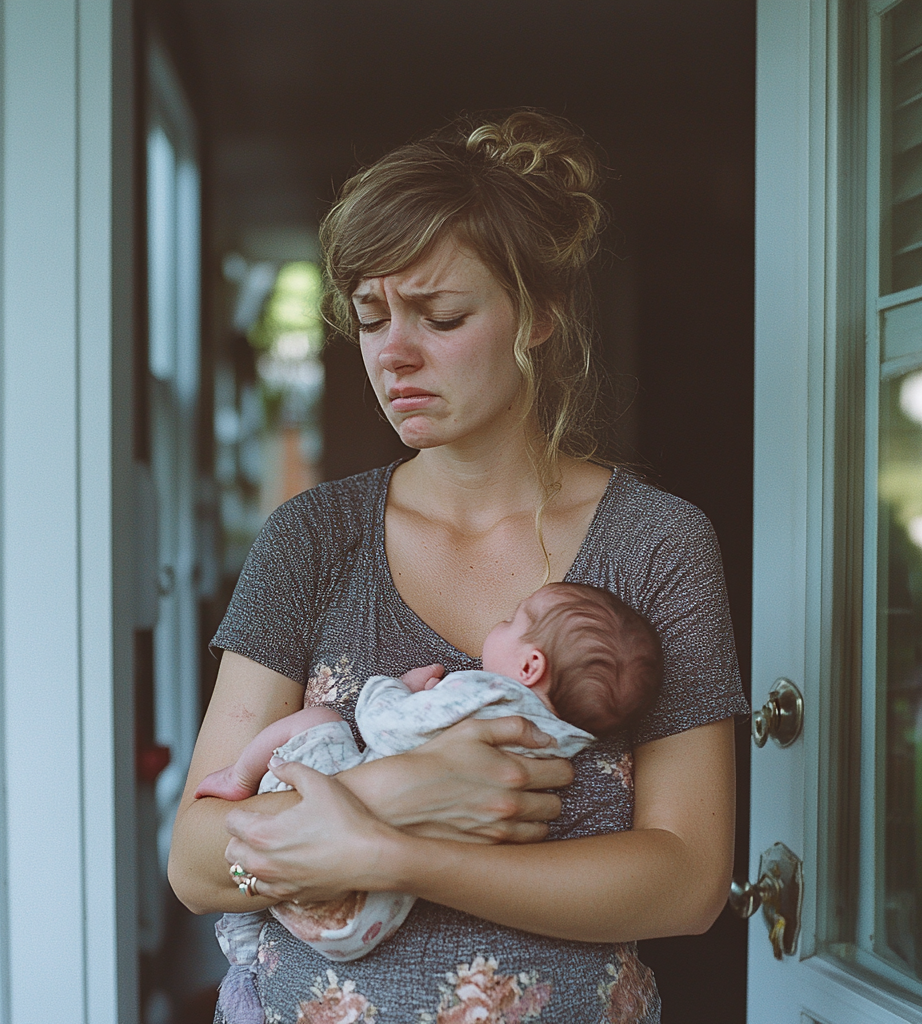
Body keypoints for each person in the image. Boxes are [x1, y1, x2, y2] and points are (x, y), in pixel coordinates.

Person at [169, 109, 749, 1024]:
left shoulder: (656, 544)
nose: (393, 354)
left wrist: (403, 857)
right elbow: (196, 863)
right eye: (369, 317)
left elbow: (686, 880)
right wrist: (394, 792)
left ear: (541, 315)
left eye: (441, 316)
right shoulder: (312, 538)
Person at [196, 582, 662, 970]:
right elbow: (191, 873)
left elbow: (386, 725)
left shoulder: (483, 691)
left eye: (512, 620)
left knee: (318, 722)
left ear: (529, 665)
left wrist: (396, 689)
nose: (498, 625)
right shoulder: (564, 742)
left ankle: (237, 779)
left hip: (324, 871)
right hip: (367, 923)